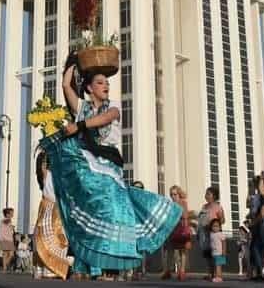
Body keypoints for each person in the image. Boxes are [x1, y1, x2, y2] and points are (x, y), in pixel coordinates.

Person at [40, 54, 180, 279]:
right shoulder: (82, 107)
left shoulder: (113, 106)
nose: (106, 86)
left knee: (116, 211)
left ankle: (113, 261)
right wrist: (72, 63)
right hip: (87, 164)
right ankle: (89, 263)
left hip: (108, 165)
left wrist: (79, 126)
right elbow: (66, 85)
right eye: (100, 82)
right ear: (89, 87)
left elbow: (106, 119)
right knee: (86, 206)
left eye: (107, 83)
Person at [32, 150, 71, 279]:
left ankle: (54, 269)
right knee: (43, 236)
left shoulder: (61, 175)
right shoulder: (46, 174)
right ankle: (41, 267)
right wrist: (46, 153)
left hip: (58, 208)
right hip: (48, 207)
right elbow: (42, 164)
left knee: (59, 238)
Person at [163, 185, 192, 281]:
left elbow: (185, 216)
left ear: (179, 194)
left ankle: (182, 271)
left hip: (181, 228)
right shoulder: (170, 204)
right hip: (171, 229)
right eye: (171, 194)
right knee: (170, 250)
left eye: (175, 194)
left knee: (182, 251)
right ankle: (168, 271)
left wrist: (186, 229)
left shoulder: (183, 203)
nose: (173, 196)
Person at [197, 186, 227, 278]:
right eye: (206, 194)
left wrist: (213, 225)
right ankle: (210, 273)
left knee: (215, 254)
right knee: (207, 254)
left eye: (208, 194)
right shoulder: (204, 206)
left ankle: (217, 274)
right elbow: (200, 219)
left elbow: (222, 220)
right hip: (204, 234)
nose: (206, 196)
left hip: (214, 235)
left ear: (214, 196)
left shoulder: (217, 207)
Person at [0, 207, 16, 272]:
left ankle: (5, 266)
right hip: (5, 239)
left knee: (11, 254)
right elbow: (6, 221)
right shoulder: (6, 220)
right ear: (7, 214)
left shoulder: (8, 221)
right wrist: (9, 222)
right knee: (6, 254)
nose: (13, 214)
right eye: (11, 213)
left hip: (9, 239)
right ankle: (4, 267)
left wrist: (11, 227)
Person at [210, 218, 227, 282]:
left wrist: (224, 251)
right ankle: (217, 276)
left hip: (219, 253)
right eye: (213, 226)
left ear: (220, 227)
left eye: (217, 226)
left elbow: (224, 243)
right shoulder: (211, 234)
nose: (215, 228)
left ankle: (218, 277)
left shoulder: (220, 234)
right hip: (214, 253)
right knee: (215, 265)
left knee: (218, 266)